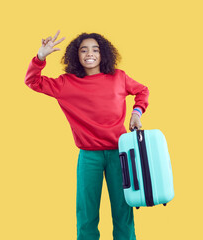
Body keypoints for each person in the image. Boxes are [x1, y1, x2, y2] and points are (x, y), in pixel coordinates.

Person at [24, 30, 149, 240]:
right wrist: (40, 57)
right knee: (86, 213)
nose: (89, 54)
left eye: (95, 49)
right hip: (88, 156)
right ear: (76, 56)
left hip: (120, 154)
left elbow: (142, 91)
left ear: (103, 54)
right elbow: (33, 82)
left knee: (123, 210)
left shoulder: (119, 77)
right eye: (83, 50)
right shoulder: (66, 84)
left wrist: (136, 113)